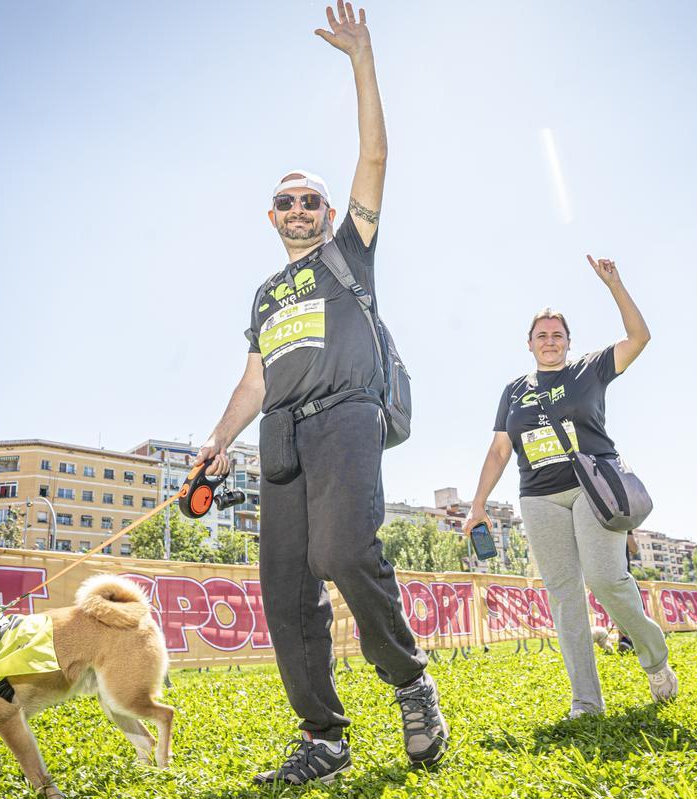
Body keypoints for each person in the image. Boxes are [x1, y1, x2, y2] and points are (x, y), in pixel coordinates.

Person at [193, 3, 446, 785]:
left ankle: (411, 683)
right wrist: (218, 438)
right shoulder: (265, 295)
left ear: (329, 214)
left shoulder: (348, 255)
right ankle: (324, 737)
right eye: (286, 202)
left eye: (311, 200)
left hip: (346, 417)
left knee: (342, 551)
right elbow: (253, 377)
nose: (299, 209)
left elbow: (374, 153)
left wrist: (360, 62)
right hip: (279, 435)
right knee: (285, 587)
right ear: (271, 216)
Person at [462, 255, 678, 719]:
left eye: (557, 334)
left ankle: (654, 656)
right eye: (541, 335)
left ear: (568, 342)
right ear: (529, 343)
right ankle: (586, 701)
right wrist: (477, 505)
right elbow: (500, 450)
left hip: (590, 489)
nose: (549, 341)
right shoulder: (514, 391)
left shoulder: (590, 369)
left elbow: (640, 338)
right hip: (538, 497)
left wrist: (615, 285)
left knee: (604, 578)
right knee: (564, 595)